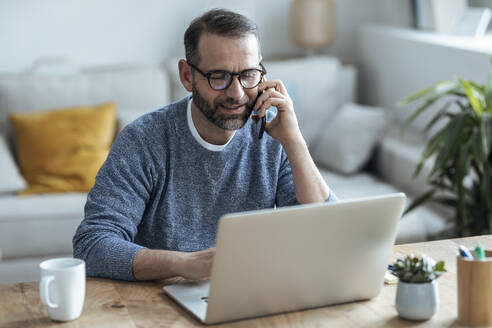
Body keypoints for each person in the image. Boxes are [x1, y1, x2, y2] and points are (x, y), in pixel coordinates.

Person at [73, 8, 336, 282]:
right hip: (160, 301)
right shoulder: (143, 140)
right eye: (218, 77)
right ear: (187, 76)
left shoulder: (274, 133)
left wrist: (294, 142)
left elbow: (326, 232)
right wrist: (184, 264)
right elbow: (92, 245)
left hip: (248, 292)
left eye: (248, 75)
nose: (236, 94)